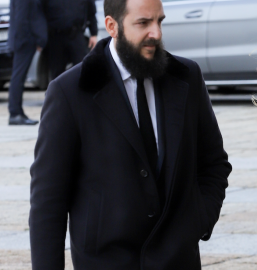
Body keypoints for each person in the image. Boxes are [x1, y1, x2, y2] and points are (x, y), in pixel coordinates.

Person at [29, 0, 232, 268]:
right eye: (143, 23)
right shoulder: (70, 92)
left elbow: (214, 163)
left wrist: (199, 220)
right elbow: (48, 200)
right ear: (112, 26)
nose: (156, 33)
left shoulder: (186, 77)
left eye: (159, 21)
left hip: (178, 260)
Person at [7, 0, 47, 125]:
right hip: (24, 40)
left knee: (19, 76)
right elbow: (22, 17)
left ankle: (17, 112)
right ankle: (15, 113)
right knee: (18, 77)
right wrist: (35, 39)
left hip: (23, 39)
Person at [41, 0, 98, 79]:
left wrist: (94, 33)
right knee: (56, 72)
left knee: (83, 68)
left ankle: (84, 90)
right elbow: (40, 12)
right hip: (55, 37)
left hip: (76, 35)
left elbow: (91, 10)